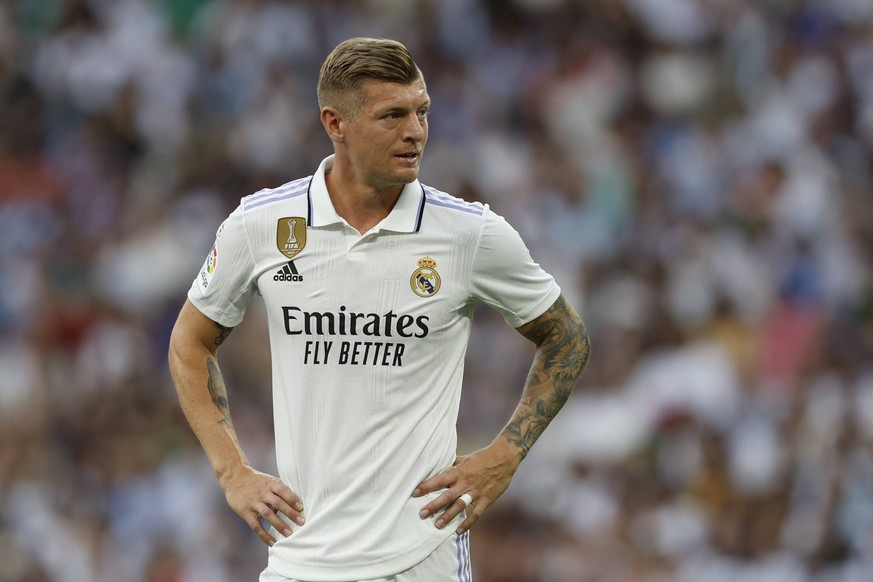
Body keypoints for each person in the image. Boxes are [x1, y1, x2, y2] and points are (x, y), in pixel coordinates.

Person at [168, 37, 590, 582]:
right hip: (302, 557)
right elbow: (189, 343)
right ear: (335, 123)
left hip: (419, 558)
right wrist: (232, 473)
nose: (415, 131)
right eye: (393, 115)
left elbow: (567, 336)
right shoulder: (261, 225)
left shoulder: (469, 233)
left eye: (422, 111)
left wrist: (505, 454)